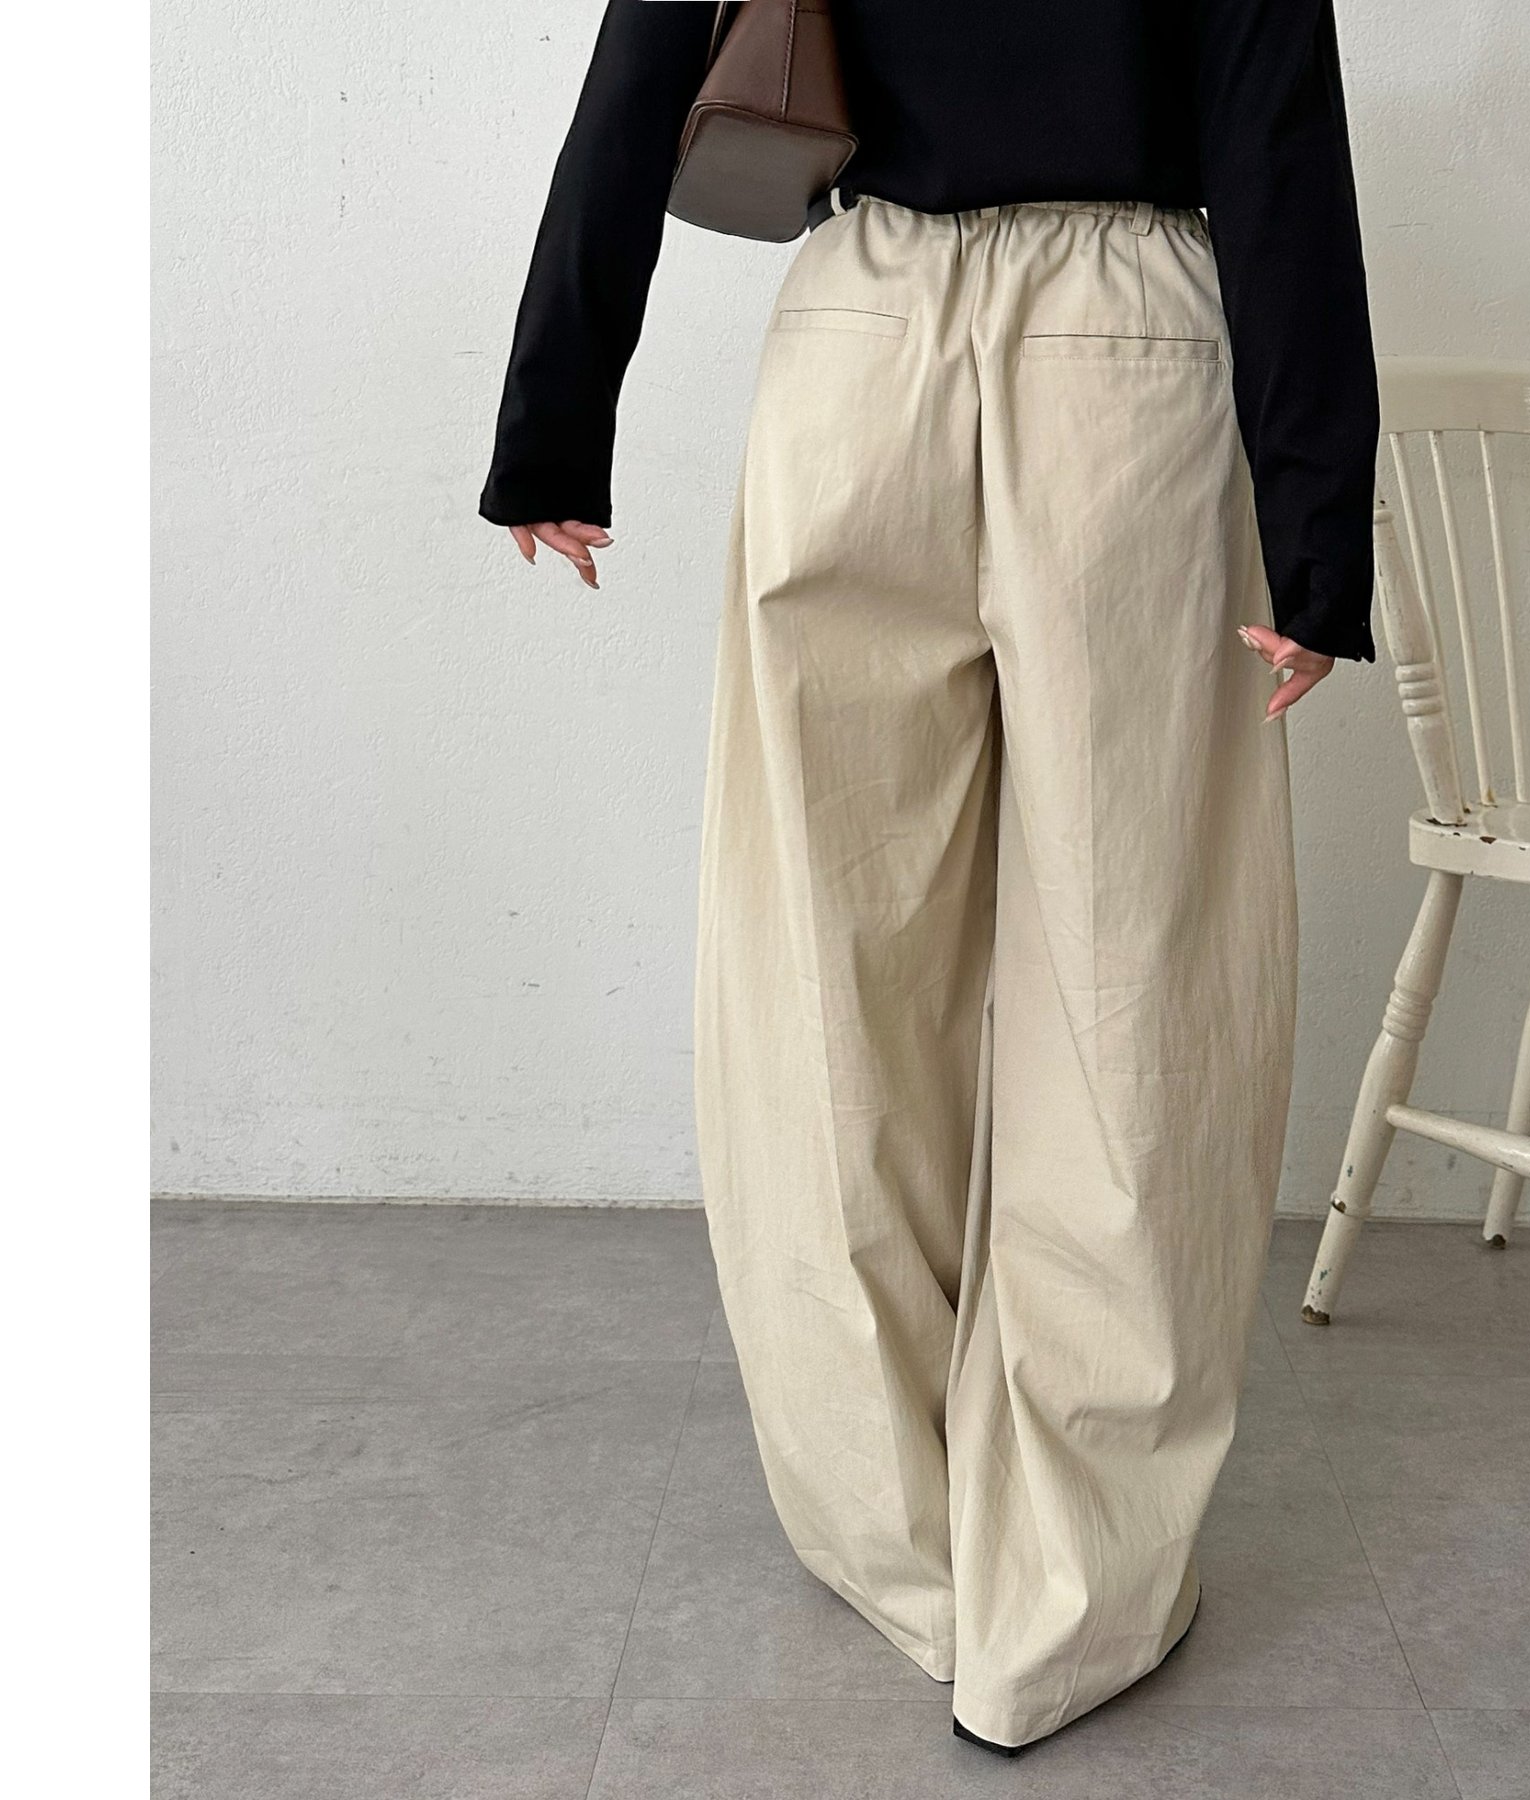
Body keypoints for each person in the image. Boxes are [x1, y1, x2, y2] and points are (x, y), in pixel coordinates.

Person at [479, 0, 1378, 1755]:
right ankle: (1069, 1597)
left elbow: (647, 59)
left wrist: (554, 418)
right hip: (1127, 352)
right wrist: (1315, 531)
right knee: (1136, 977)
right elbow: (1275, 134)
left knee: (823, 966)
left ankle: (896, 1541)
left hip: (858, 333)